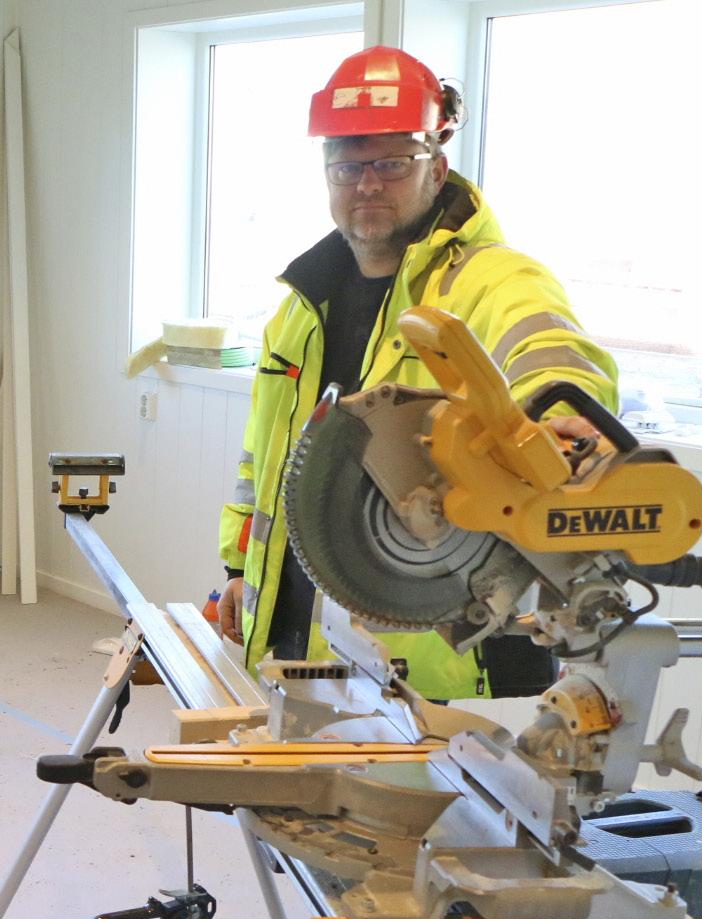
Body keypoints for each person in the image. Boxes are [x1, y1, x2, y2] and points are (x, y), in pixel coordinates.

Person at [214, 46, 619, 702]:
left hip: (429, 649)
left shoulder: (489, 280)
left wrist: (559, 421)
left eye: (393, 162)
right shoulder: (300, 309)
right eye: (347, 166)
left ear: (438, 167)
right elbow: (263, 458)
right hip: (298, 622)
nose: (367, 184)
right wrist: (239, 566)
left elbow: (549, 351)